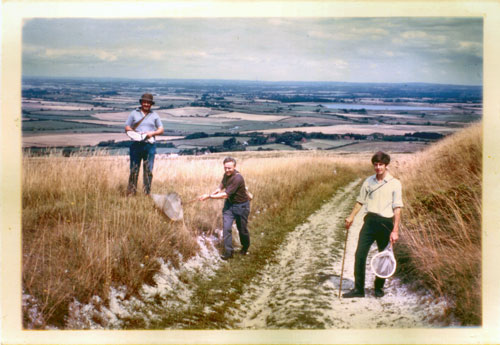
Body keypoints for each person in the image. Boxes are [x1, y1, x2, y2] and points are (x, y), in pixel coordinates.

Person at [343, 151, 403, 298]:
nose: (378, 168)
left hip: (386, 223)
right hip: (369, 222)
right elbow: (360, 201)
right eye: (375, 165)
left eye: (381, 164)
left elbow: (397, 209)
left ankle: (378, 288)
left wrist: (395, 230)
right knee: (360, 254)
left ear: (386, 165)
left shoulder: (395, 183)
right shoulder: (368, 181)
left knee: (384, 257)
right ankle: (358, 290)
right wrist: (351, 217)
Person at [199, 157, 251, 260]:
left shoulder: (238, 178)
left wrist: (209, 196)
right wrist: (217, 190)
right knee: (226, 228)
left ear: (234, 167)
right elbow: (223, 183)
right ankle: (229, 252)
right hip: (229, 206)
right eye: (225, 168)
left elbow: (225, 195)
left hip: (241, 206)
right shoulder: (226, 175)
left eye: (229, 168)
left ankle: (245, 247)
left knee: (242, 230)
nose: (227, 170)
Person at [124, 93, 164, 196]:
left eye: (148, 102)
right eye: (144, 102)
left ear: (151, 104)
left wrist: (152, 133)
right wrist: (136, 134)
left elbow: (161, 129)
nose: (146, 104)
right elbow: (127, 127)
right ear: (141, 102)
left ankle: (146, 193)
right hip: (136, 144)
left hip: (149, 145)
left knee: (148, 170)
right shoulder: (133, 113)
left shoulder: (154, 115)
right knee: (134, 169)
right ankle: (131, 193)